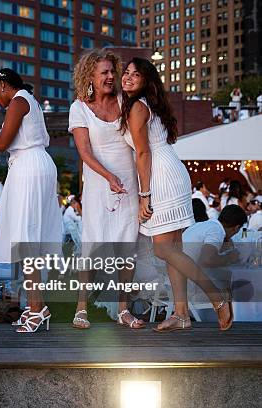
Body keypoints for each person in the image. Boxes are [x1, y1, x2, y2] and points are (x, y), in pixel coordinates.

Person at [120, 57, 233, 332]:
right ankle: (181, 314)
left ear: (147, 80)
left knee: (162, 248)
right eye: (126, 72)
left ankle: (215, 295)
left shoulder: (137, 107)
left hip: (160, 177)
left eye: (136, 74)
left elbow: (143, 152)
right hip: (172, 170)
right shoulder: (150, 105)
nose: (128, 77)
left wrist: (144, 195)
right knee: (174, 249)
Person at [0, 68, 63, 333]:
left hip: (29, 168)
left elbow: (3, 144)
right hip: (35, 165)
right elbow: (14, 135)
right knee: (29, 238)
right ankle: (35, 306)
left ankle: (37, 308)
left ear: (3, 85)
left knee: (27, 239)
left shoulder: (18, 101)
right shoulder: (27, 100)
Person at [67, 49, 141, 329]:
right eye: (105, 72)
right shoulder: (80, 108)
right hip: (99, 185)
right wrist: (108, 176)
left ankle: (123, 310)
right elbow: (85, 152)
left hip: (128, 185)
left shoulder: (126, 102)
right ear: (90, 76)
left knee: (127, 246)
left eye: (113, 71)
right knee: (92, 246)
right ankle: (81, 308)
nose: (111, 76)